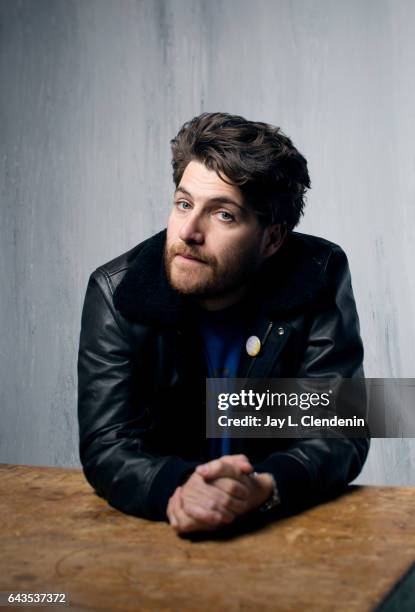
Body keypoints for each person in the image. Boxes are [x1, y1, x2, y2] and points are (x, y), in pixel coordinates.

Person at [77, 112, 369, 535]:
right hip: (158, 533)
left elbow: (338, 431)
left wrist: (264, 487)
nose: (189, 231)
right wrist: (181, 490)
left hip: (281, 532)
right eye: (183, 204)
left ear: (271, 238)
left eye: (223, 215)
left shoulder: (316, 272)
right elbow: (108, 444)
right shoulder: (116, 291)